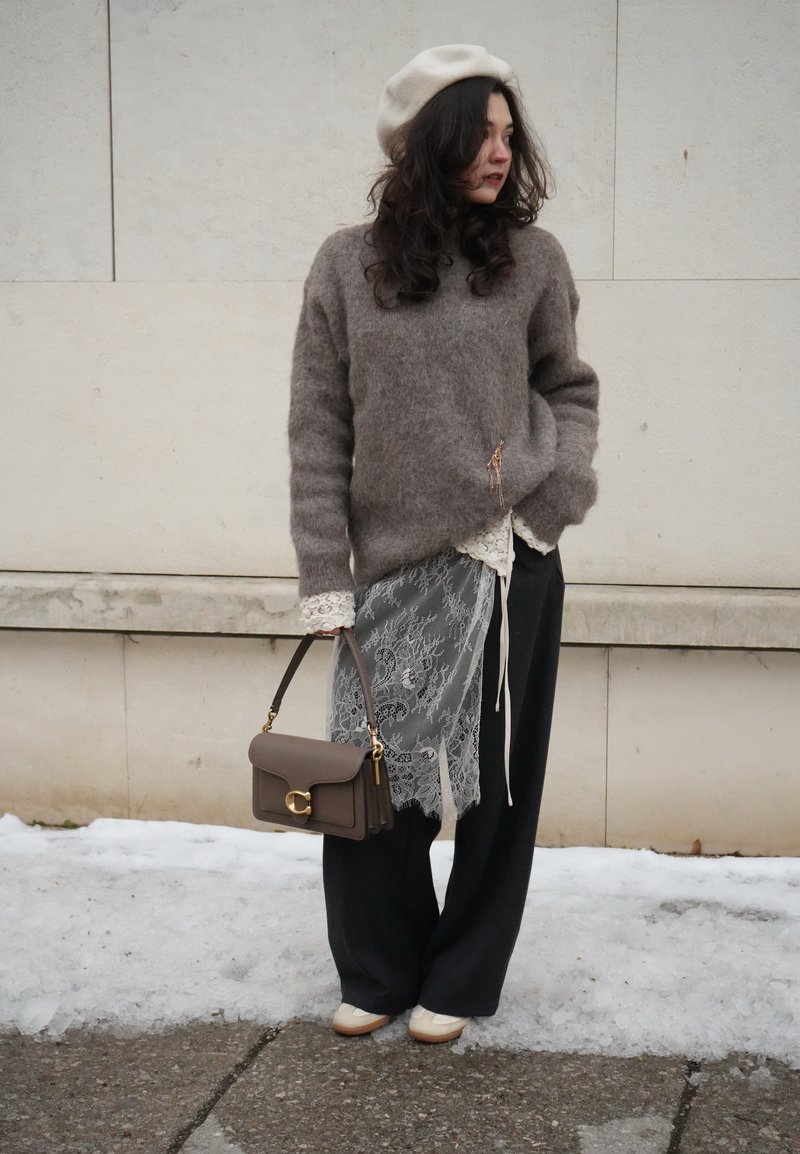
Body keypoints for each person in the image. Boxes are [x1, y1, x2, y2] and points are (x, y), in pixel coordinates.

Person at [288, 45, 599, 1044]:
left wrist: (550, 499)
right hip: (387, 565)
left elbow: (568, 388)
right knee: (370, 780)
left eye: (511, 133)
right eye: (480, 131)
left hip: (508, 561)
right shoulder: (345, 263)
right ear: (427, 140)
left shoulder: (533, 260)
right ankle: (377, 969)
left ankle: (457, 980)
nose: (500, 152)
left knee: (496, 787)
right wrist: (323, 575)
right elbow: (317, 425)